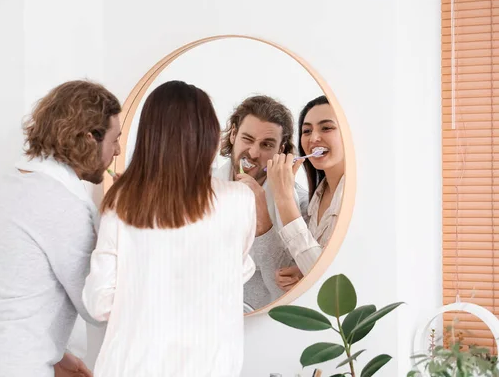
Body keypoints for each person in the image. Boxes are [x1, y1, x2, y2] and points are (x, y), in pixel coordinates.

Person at [0, 80, 122, 377]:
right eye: (115, 139)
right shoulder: (64, 205)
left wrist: (54, 354)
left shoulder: (0, 189)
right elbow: (96, 307)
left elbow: (6, 296)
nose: (117, 151)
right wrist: (121, 217)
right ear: (91, 137)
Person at [82, 80, 256, 376]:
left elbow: (99, 303)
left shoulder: (121, 202)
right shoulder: (239, 200)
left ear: (150, 137)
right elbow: (237, 270)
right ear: (209, 136)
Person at [214, 95, 309, 310]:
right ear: (233, 134)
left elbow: (286, 296)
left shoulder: (299, 206)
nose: (254, 153)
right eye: (247, 139)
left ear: (280, 150)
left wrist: (263, 221)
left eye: (266, 145)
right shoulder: (201, 187)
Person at [267, 95, 345, 291]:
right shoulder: (317, 197)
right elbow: (319, 264)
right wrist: (302, 270)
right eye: (307, 131)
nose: (314, 138)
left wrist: (284, 197)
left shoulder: (354, 199)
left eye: (326, 128)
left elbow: (329, 286)